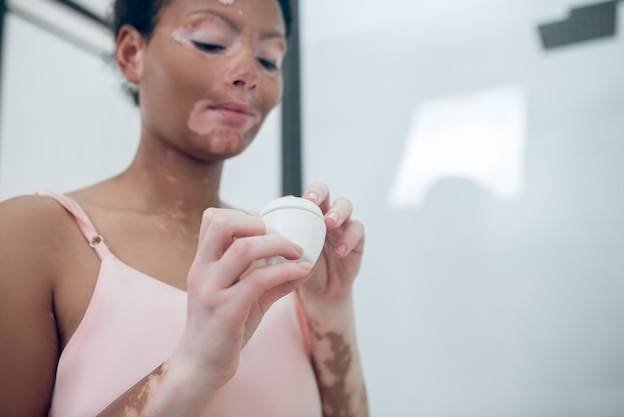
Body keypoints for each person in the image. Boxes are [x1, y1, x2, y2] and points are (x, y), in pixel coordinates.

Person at [0, 0, 369, 416]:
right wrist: (188, 369)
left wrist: (332, 309)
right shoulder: (29, 235)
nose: (248, 74)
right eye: (211, 43)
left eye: (269, 59)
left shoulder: (281, 255)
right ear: (132, 54)